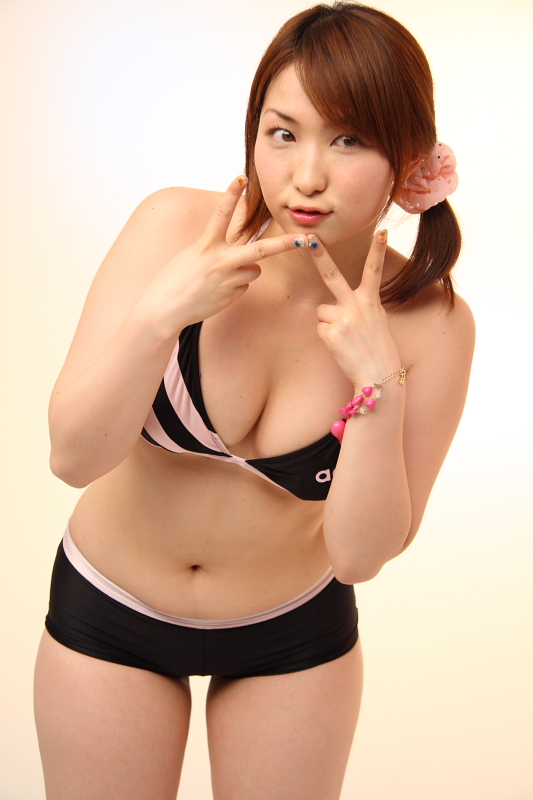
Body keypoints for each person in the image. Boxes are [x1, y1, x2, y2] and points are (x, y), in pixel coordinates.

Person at [33, 3, 475, 798]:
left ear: (407, 157)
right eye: (283, 133)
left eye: (348, 139)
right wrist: (162, 314)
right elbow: (72, 457)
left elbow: (358, 557)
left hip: (290, 635)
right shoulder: (173, 227)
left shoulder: (431, 324)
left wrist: (376, 387)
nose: (306, 175)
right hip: (110, 607)